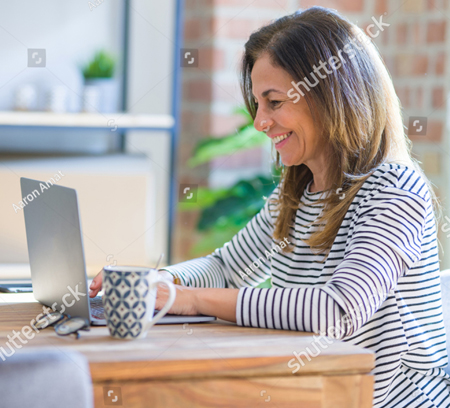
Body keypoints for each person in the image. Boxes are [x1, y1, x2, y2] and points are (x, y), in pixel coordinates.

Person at [89, 6, 450, 408]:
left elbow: (338, 310)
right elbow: (226, 269)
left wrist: (188, 298)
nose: (260, 122)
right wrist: (154, 282)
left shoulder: (394, 190)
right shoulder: (297, 192)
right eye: (259, 104)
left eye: (274, 102)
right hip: (316, 393)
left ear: (331, 97)